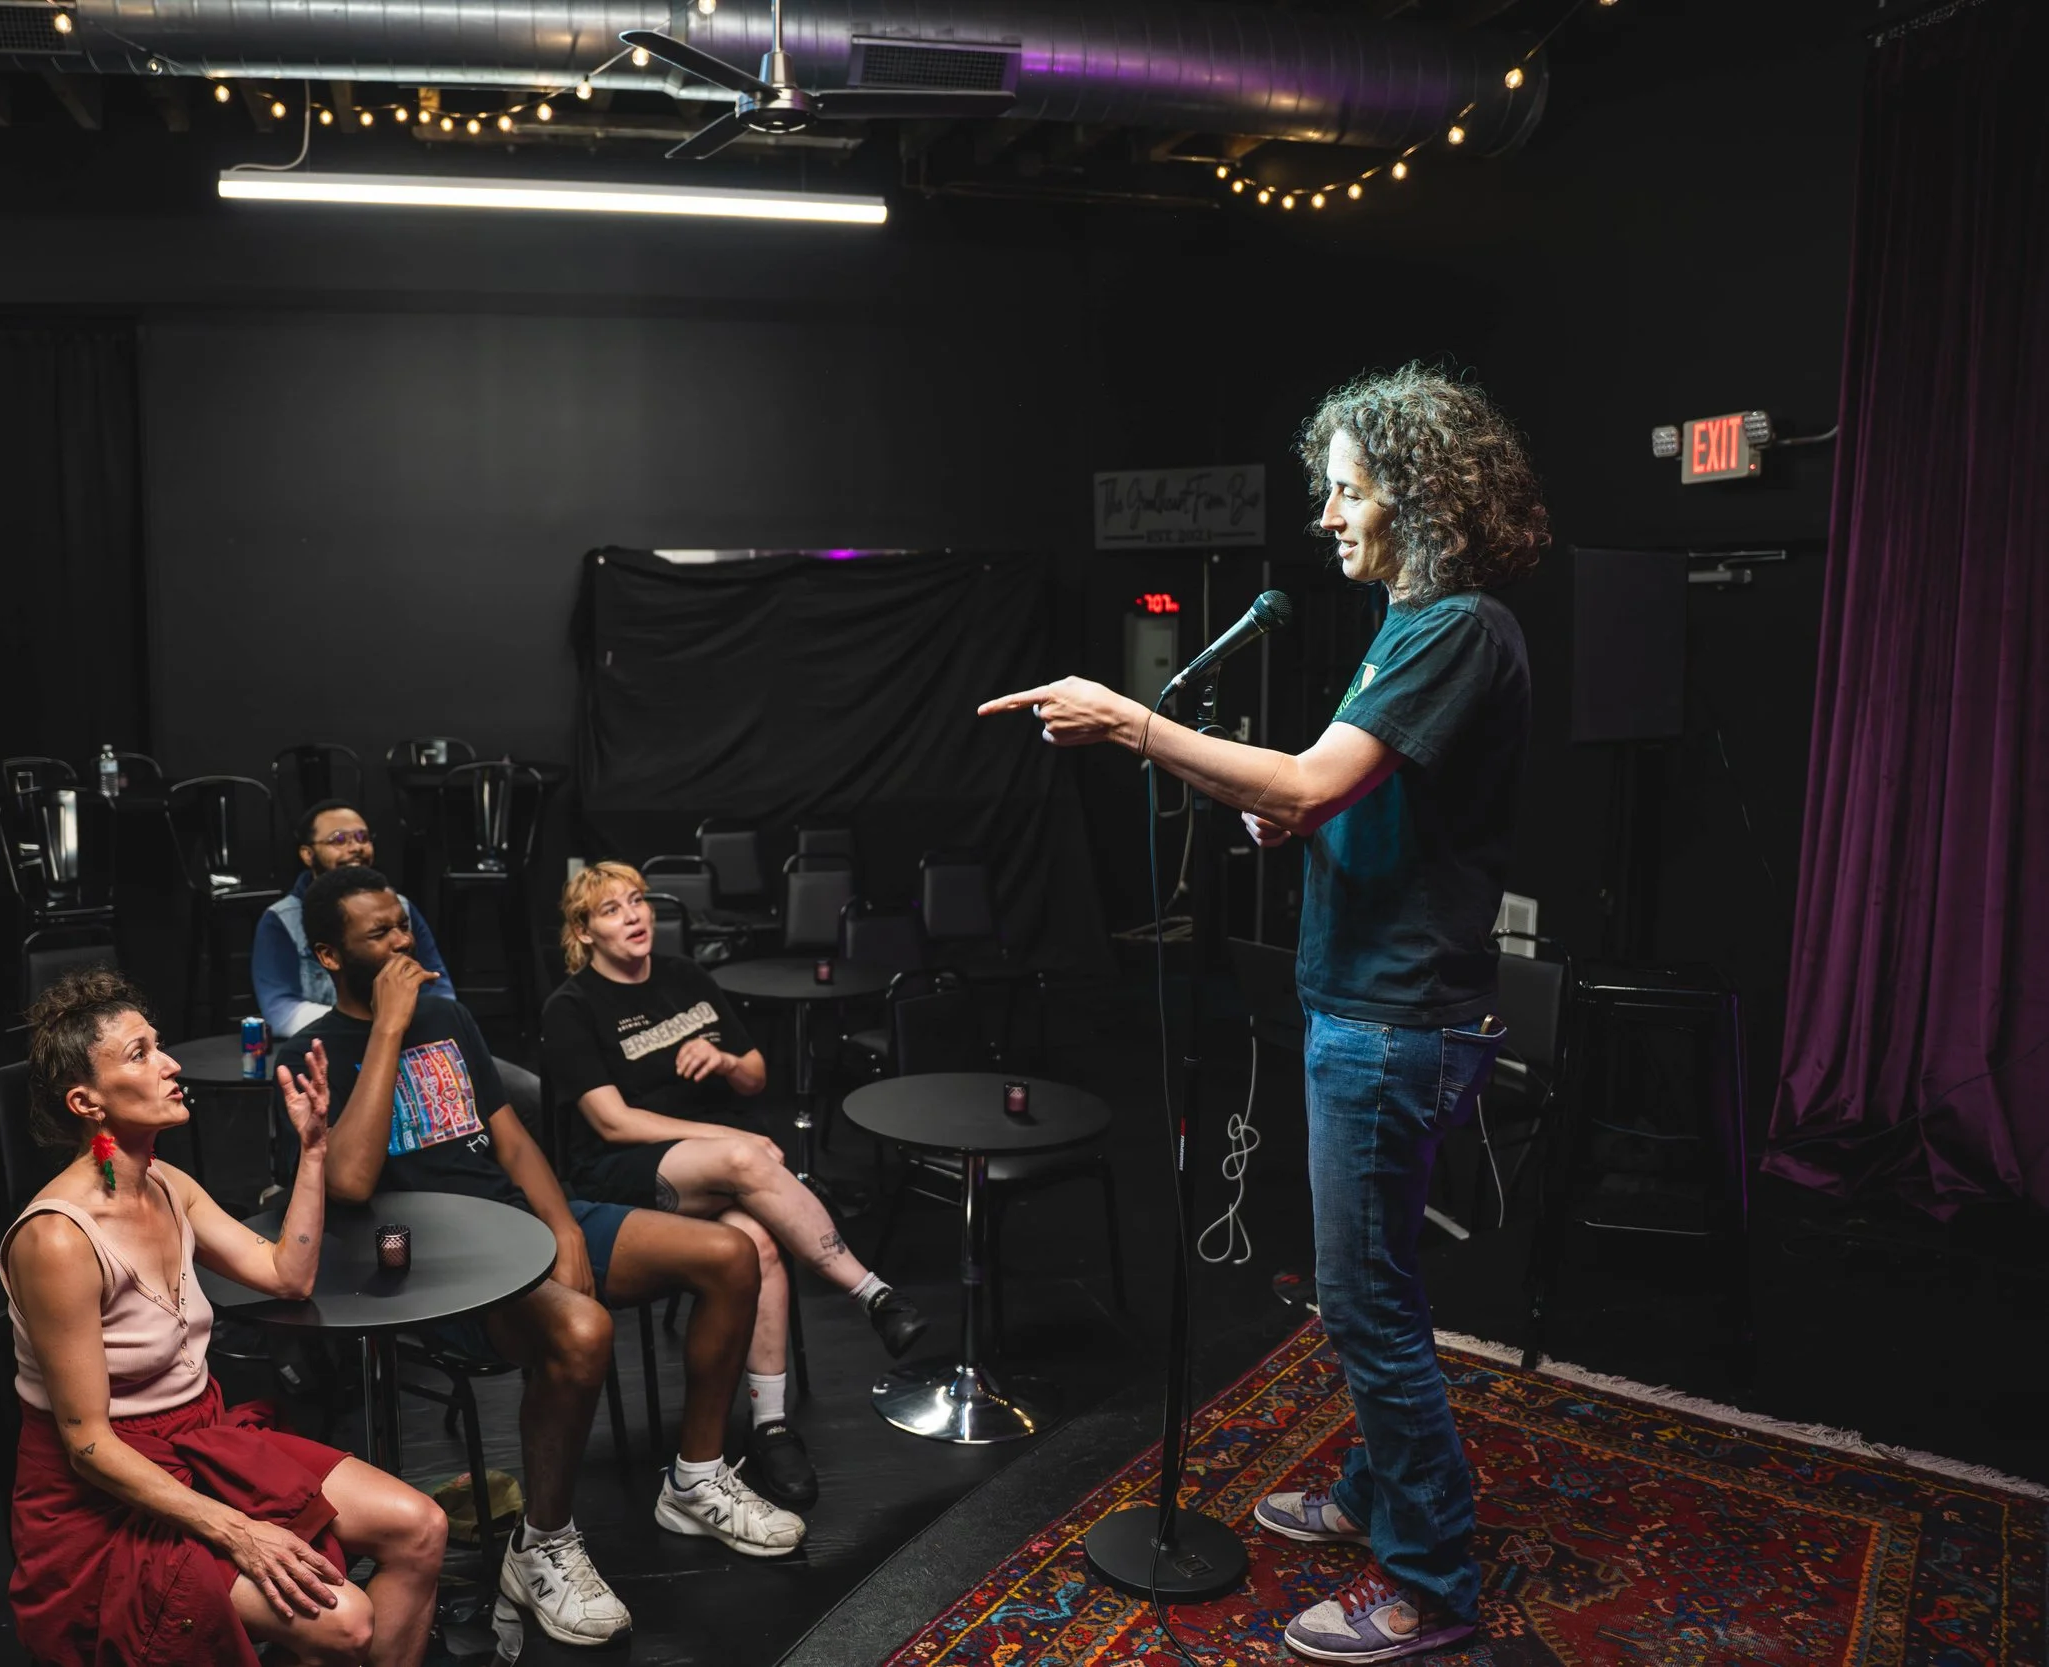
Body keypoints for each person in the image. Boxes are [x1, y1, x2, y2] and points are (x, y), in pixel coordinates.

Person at [977, 363, 1545, 1663]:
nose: (1329, 515)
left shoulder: (1456, 624)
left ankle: (1430, 1580)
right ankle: (1374, 1492)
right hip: (1367, 1003)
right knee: (1368, 1287)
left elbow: (1309, 772)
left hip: (1398, 1019)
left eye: (1346, 490)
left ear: (1415, 492)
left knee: (1368, 1305)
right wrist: (1291, 809)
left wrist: (1133, 719)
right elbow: (1329, 795)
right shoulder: (1412, 626)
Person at [277, 865, 806, 1653]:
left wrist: (560, 1225)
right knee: (584, 1330)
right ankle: (541, 1545)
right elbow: (350, 1179)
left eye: (403, 924)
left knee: (731, 1254)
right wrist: (388, 1026)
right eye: (378, 933)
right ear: (328, 953)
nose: (402, 942)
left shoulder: (450, 1018)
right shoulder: (311, 1050)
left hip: (518, 1220)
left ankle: (695, 1478)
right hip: (432, 1260)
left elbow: (511, 1137)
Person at [2, 966, 446, 1667]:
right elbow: (86, 1443)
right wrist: (239, 1530)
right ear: (86, 1101)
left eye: (160, 1045)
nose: (171, 1064)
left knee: (422, 1525)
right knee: (348, 1621)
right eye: (141, 1053)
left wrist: (314, 1151)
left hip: (199, 1438)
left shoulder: (167, 1182)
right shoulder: (58, 1237)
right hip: (109, 1494)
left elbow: (287, 1275)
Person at [539, 861, 931, 1508]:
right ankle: (874, 1294)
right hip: (623, 1172)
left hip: (707, 1160)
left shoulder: (686, 977)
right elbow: (611, 1121)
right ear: (583, 931)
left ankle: (771, 1425)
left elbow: (753, 1075)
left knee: (758, 1244)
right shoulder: (573, 1006)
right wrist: (730, 1142)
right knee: (751, 1164)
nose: (634, 916)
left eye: (638, 901)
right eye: (612, 909)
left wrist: (722, 1059)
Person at [254, 800, 540, 1121]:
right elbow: (280, 1010)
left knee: (529, 1093)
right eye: (339, 839)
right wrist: (374, 1024)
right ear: (308, 854)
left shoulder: (398, 906)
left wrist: (401, 1025)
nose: (355, 847)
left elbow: (439, 989)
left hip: (415, 1041)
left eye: (362, 837)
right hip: (332, 1051)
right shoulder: (281, 919)